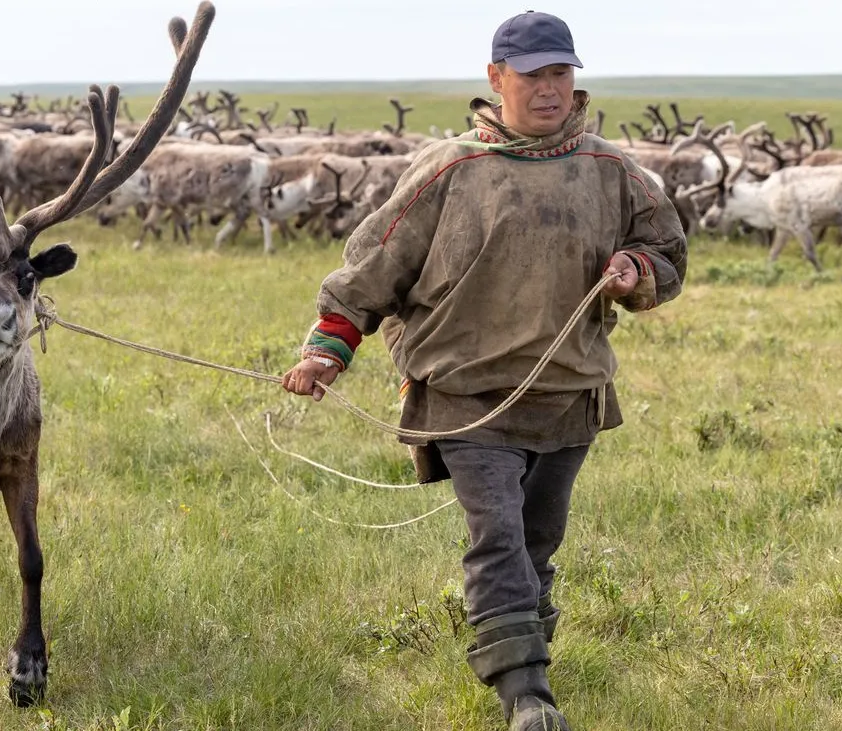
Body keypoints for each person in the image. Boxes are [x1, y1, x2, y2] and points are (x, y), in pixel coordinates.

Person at [281, 10, 687, 730]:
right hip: (465, 400)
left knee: (535, 540)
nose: (551, 88)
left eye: (562, 73)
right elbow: (373, 266)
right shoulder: (450, 168)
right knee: (496, 535)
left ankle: (523, 645)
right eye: (534, 75)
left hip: (569, 395)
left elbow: (666, 251)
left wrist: (636, 269)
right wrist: (326, 349)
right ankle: (528, 696)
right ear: (497, 78)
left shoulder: (610, 170)